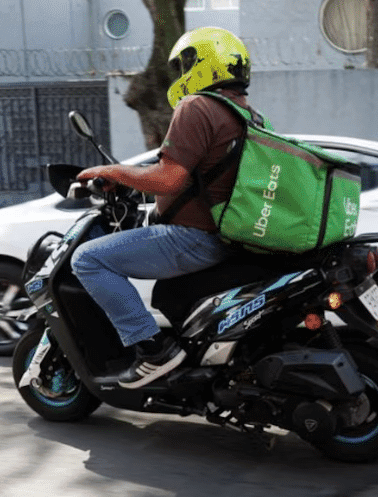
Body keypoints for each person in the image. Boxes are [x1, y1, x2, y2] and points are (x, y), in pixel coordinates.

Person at [71, 27, 255, 388]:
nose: (181, 75)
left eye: (186, 64)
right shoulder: (248, 115)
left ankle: (153, 351)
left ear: (205, 63)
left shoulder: (198, 106)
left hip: (193, 239)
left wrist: (113, 171)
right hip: (229, 237)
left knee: (88, 259)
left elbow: (169, 178)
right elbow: (205, 179)